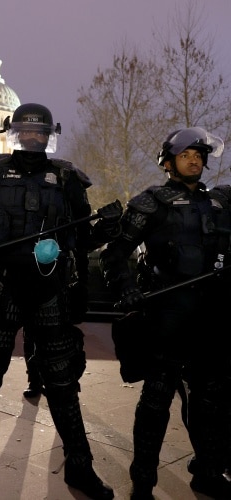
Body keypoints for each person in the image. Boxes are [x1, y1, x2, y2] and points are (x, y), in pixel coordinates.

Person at [0, 103, 122, 500]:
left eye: (40, 133)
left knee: (63, 384)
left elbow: (79, 239)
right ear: (13, 132)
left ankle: (80, 468)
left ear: (49, 135)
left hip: (49, 292)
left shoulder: (68, 178)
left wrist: (103, 229)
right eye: (27, 132)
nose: (33, 138)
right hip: (1, 288)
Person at [99, 126, 231, 499]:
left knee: (210, 401)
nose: (195, 161)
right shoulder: (150, 203)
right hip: (167, 317)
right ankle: (143, 481)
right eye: (187, 154)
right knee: (155, 403)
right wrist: (126, 289)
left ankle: (208, 472)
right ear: (169, 161)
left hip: (212, 319)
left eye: (200, 156)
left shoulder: (221, 204)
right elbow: (115, 253)